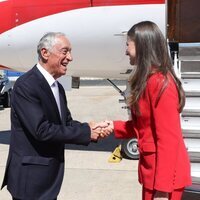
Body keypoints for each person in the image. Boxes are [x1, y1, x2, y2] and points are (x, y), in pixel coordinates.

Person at [1, 32, 107, 200]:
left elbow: (65, 123)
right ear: (45, 53)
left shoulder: (57, 88)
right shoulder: (26, 86)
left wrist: (89, 128)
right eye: (65, 51)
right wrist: (86, 133)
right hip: (31, 182)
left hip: (47, 181)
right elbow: (41, 130)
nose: (70, 58)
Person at [104, 21, 192, 200]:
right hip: (154, 175)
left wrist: (162, 189)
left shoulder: (160, 83)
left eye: (127, 44)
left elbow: (168, 139)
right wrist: (111, 126)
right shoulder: (149, 80)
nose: (125, 51)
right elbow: (144, 127)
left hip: (165, 181)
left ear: (142, 45)